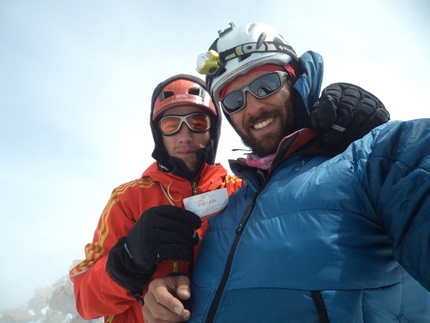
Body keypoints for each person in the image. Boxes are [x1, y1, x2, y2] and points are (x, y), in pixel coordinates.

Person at [142, 22, 430, 322]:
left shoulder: (370, 160)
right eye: (233, 100)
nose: (252, 108)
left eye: (265, 85)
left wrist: (382, 146)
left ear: (296, 81)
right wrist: (165, 294)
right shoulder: (228, 208)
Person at [69, 74, 244, 322]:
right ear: (158, 134)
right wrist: (128, 259)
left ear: (212, 130)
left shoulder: (239, 191)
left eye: (197, 121)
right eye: (171, 125)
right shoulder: (128, 199)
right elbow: (84, 301)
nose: (185, 136)